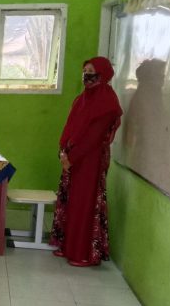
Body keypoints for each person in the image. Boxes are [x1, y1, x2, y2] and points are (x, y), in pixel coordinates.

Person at [52, 57, 123, 267]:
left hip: (89, 162)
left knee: (85, 204)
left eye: (91, 71)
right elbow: (70, 127)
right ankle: (68, 247)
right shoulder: (82, 99)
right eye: (85, 71)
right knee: (71, 203)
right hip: (72, 159)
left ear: (103, 74)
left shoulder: (107, 102)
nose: (86, 75)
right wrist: (63, 152)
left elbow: (93, 137)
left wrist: (71, 158)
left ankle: (82, 253)